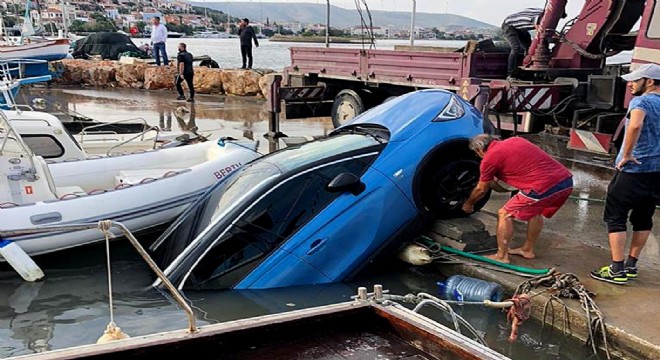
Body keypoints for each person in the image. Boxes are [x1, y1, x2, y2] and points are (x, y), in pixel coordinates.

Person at [591, 63, 660, 285]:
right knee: (643, 218)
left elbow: (634, 125)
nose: (630, 84)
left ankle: (616, 269)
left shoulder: (641, 101)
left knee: (615, 217)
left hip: (634, 170)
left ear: (649, 82)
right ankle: (631, 265)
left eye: (635, 80)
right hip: (656, 173)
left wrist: (627, 153)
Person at [462, 135, 573, 263]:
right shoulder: (516, 140)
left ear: (480, 150)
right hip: (565, 181)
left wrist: (469, 203)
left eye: (477, 154)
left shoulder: (489, 159)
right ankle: (527, 250)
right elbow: (521, 162)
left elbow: (481, 190)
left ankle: (502, 256)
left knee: (504, 214)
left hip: (542, 187)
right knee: (535, 212)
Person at [501, 7, 544, 76]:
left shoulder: (544, 11)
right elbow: (541, 31)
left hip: (521, 27)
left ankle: (525, 69)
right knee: (516, 48)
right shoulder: (536, 18)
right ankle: (510, 73)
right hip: (509, 25)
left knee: (529, 48)